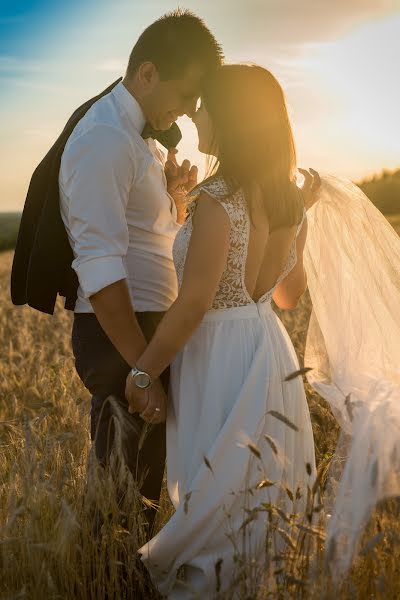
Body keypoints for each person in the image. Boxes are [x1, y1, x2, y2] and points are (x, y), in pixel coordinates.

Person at [125, 64, 320, 598]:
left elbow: (193, 305)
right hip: (266, 350)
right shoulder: (288, 199)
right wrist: (183, 204)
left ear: (231, 120)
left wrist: (145, 371)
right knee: (255, 499)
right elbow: (284, 295)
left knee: (212, 489)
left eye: (205, 106)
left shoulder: (219, 198)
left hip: (216, 356)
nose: (195, 115)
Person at [56, 9, 223, 539]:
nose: (190, 111)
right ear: (147, 73)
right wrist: (141, 367)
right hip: (123, 332)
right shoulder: (104, 138)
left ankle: (125, 577)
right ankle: (104, 581)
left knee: (144, 483)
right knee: (120, 492)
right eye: (187, 93)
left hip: (150, 326)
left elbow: (144, 237)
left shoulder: (140, 138)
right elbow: (100, 268)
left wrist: (174, 202)